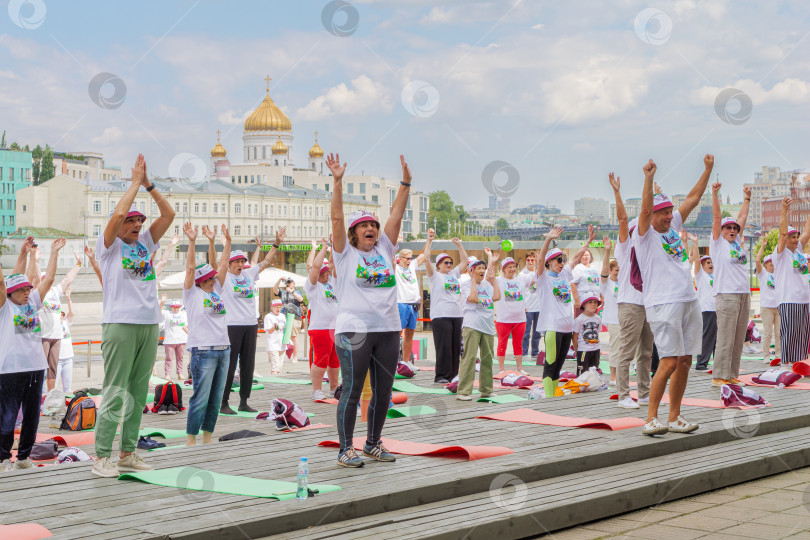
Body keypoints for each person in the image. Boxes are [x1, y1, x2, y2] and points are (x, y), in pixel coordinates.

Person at [91, 154, 175, 478]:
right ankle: (101, 456)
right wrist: (133, 185)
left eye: (140, 221)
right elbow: (118, 213)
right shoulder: (108, 246)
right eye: (133, 221)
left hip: (148, 324)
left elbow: (169, 213)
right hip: (120, 325)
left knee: (139, 392)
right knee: (116, 389)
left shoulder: (145, 243)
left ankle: (127, 453)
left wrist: (149, 186)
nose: (138, 224)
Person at [326, 152, 410, 468]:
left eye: (373, 224)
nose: (371, 229)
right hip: (354, 330)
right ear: (353, 232)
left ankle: (373, 443)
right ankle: (345, 448)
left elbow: (397, 215)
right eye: (364, 226)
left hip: (387, 328)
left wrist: (405, 183)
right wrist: (337, 182)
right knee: (351, 389)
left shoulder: (385, 248)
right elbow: (336, 218)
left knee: (383, 392)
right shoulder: (344, 254)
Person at [636, 156, 712, 435]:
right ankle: (651, 418)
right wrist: (648, 179)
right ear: (651, 214)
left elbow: (692, 198)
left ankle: (674, 416)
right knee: (668, 360)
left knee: (685, 360)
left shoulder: (671, 226)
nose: (669, 215)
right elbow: (645, 210)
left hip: (688, 299)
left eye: (670, 211)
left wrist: (707, 170)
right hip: (663, 303)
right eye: (663, 212)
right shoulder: (644, 235)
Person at [0, 236, 64, 471]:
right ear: (10, 293)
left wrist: (54, 252)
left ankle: (24, 457)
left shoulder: (33, 303)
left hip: (35, 367)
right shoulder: (4, 308)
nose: (28, 292)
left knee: (32, 417)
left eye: (28, 288)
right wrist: (21, 254)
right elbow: (1, 283)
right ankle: (3, 458)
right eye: (22, 289)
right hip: (10, 370)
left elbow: (47, 280)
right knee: (6, 418)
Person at [210, 225, 285, 414]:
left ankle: (244, 401)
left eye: (242, 261)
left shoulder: (249, 274)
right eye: (236, 261)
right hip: (232, 326)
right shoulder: (224, 276)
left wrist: (276, 243)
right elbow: (214, 264)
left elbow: (266, 261)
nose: (240, 264)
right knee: (229, 365)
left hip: (250, 324)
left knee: (248, 364)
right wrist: (215, 242)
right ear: (229, 263)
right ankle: (224, 402)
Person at [182, 222, 231, 447]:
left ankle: (207, 438)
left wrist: (220, 242)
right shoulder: (192, 293)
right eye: (209, 278)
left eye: (213, 277)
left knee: (215, 399)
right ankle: (191, 440)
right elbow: (191, 269)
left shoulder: (217, 291)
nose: (214, 279)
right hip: (203, 351)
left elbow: (220, 263)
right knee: (200, 398)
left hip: (223, 350)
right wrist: (192, 242)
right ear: (202, 281)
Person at [609, 172, 654, 410]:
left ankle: (645, 393)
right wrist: (617, 192)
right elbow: (623, 220)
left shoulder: (650, 251)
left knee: (646, 353)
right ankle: (624, 394)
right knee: (627, 351)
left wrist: (655, 193)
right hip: (630, 303)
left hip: (649, 303)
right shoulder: (625, 248)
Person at [537, 225, 596, 397]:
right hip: (553, 328)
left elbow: (577, 257)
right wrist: (548, 239)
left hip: (566, 328)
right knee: (551, 364)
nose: (561, 263)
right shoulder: (544, 279)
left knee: (559, 365)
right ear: (549, 262)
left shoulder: (564, 275)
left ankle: (553, 395)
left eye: (562, 260)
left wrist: (588, 241)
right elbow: (540, 260)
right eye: (557, 260)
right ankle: (549, 398)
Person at [709, 183, 751, 387]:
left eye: (734, 228)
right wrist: (715, 194)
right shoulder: (718, 244)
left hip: (743, 294)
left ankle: (731, 374)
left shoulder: (737, 242)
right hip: (726, 294)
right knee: (726, 337)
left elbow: (741, 218)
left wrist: (747, 199)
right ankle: (719, 376)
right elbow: (717, 218)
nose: (732, 230)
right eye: (729, 227)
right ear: (721, 230)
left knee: (738, 337)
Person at [29, 246, 81, 392]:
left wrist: (78, 265)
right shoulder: (38, 292)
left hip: (56, 337)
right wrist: (36, 260)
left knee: (52, 370)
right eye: (46, 279)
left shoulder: (55, 291)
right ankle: (38, 395)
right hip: (43, 336)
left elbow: (67, 279)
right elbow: (38, 277)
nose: (49, 282)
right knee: (40, 369)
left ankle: (50, 397)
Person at [422, 229, 468, 384]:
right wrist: (429, 241)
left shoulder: (454, 274)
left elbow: (465, 261)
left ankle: (454, 375)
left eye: (450, 262)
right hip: (441, 315)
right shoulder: (435, 276)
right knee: (444, 347)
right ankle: (442, 376)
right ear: (439, 265)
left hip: (457, 314)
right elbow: (426, 258)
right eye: (445, 263)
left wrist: (459, 245)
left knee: (455, 348)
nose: (449, 265)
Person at [457, 251, 500, 401]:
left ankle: (486, 390)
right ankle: (464, 391)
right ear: (471, 270)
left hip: (487, 326)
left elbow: (497, 297)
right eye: (478, 268)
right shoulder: (465, 284)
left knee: (488, 359)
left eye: (483, 268)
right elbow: (473, 299)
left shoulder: (488, 284)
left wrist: (494, 281)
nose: (482, 270)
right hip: (472, 326)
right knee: (469, 358)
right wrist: (474, 281)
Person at [774, 196, 810, 366]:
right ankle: (786, 364)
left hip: (804, 300)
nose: (795, 239)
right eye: (792, 236)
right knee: (790, 333)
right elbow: (782, 233)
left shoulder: (798, 251)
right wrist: (784, 210)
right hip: (788, 299)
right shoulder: (780, 253)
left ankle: (798, 364)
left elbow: (807, 232)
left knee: (802, 334)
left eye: (796, 236)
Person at [305, 240, 341, 400]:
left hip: (336, 328)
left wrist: (333, 247)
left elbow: (332, 264)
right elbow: (315, 267)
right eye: (324, 272)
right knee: (321, 359)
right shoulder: (313, 286)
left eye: (327, 272)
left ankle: (334, 389)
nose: (327, 273)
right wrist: (323, 248)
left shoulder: (331, 283)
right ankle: (316, 390)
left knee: (335, 361)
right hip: (320, 328)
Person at [687, 233, 716, 374]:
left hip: (718, 310)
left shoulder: (715, 276)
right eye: (708, 263)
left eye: (711, 263)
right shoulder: (700, 275)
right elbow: (697, 261)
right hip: (706, 310)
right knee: (707, 337)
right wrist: (695, 243)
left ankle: (719, 363)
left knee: (718, 338)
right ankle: (701, 363)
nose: (710, 265)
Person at [494, 256, 528, 374]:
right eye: (509, 267)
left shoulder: (521, 279)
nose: (512, 269)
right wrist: (491, 259)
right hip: (503, 319)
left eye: (514, 267)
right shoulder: (499, 281)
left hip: (520, 319)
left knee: (518, 344)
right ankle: (501, 369)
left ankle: (519, 368)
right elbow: (489, 276)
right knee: (502, 344)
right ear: (504, 269)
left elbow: (536, 278)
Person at [395, 247, 426, 364]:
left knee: (410, 334)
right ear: (400, 258)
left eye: (410, 258)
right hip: (401, 302)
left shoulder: (412, 266)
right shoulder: (396, 268)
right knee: (397, 334)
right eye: (407, 258)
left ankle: (406, 362)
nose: (409, 260)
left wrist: (429, 240)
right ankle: (394, 362)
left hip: (414, 303)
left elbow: (423, 255)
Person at [598, 237, 619, 385]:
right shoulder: (607, 283)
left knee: (629, 350)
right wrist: (607, 251)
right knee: (616, 348)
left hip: (627, 319)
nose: (619, 272)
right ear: (611, 270)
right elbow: (604, 271)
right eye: (617, 270)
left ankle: (623, 375)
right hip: (613, 320)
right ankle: (613, 376)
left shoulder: (626, 281)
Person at [756, 242, 779, 363]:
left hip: (779, 307)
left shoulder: (779, 274)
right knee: (768, 333)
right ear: (765, 265)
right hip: (767, 307)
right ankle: (766, 355)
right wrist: (763, 246)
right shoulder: (762, 274)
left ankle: (778, 355)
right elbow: (757, 261)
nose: (773, 265)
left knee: (779, 333)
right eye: (770, 263)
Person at [273, 277, 304, 362]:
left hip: (294, 316)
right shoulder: (282, 292)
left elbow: (301, 299)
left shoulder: (297, 291)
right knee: (281, 337)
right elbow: (275, 289)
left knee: (294, 337)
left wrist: (292, 291)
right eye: (288, 282)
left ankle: (295, 357)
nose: (289, 283)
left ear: (294, 284)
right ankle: (281, 356)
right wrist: (279, 279)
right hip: (283, 316)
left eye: (291, 282)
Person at [160, 294, 188, 381]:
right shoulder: (167, 314)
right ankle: (167, 374)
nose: (176, 309)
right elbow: (159, 309)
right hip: (170, 340)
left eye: (177, 307)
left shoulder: (184, 314)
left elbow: (185, 326)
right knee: (169, 358)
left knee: (180, 358)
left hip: (181, 340)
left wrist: (190, 335)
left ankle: (180, 373)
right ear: (171, 307)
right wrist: (162, 301)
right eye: (174, 307)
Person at [520, 251, 542, 360]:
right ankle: (524, 352)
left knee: (537, 332)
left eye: (532, 260)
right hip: (528, 306)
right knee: (526, 331)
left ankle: (535, 352)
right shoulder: (522, 274)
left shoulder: (539, 271)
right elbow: (522, 290)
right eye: (528, 260)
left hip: (538, 306)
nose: (530, 262)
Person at [573, 295, 602, 376]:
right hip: (584, 350)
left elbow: (597, 333)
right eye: (590, 302)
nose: (593, 304)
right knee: (582, 371)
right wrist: (577, 350)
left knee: (594, 371)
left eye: (595, 302)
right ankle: (581, 386)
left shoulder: (598, 318)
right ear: (584, 304)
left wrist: (599, 347)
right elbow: (574, 336)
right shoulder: (579, 319)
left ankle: (592, 386)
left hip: (596, 349)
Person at [571, 247, 601, 318]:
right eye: (584, 255)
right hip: (582, 301)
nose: (586, 257)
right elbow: (573, 284)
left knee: (593, 320)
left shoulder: (595, 269)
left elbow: (599, 284)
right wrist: (577, 300)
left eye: (588, 255)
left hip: (594, 300)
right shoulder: (577, 268)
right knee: (581, 321)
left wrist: (602, 297)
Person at [57, 286, 76, 393]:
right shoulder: (52, 325)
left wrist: (68, 298)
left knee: (67, 388)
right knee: (53, 388)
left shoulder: (66, 323)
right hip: (57, 360)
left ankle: (67, 407)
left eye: (62, 314)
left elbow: (72, 313)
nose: (61, 316)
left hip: (68, 358)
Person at [263, 300, 287, 375]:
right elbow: (269, 331)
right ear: (272, 307)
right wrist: (274, 327)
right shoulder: (268, 317)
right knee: (275, 366)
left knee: (279, 367)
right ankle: (273, 380)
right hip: (272, 344)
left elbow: (286, 329)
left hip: (282, 343)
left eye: (280, 307)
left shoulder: (282, 316)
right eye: (276, 307)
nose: (278, 309)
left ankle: (277, 380)